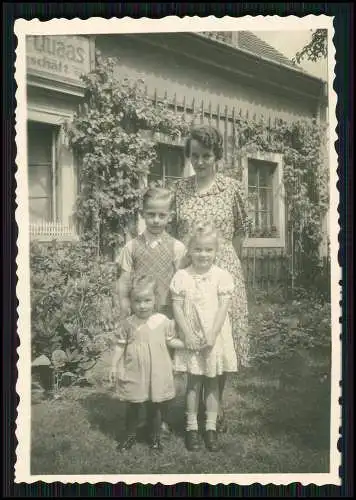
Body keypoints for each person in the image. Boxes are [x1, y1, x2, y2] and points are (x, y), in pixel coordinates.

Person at [171, 124, 250, 433]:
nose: (200, 162)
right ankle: (196, 411)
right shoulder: (180, 189)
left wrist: (229, 263)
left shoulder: (232, 188)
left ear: (217, 155)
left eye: (206, 155)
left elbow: (242, 230)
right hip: (189, 275)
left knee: (220, 342)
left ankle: (213, 412)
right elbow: (175, 233)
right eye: (194, 156)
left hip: (224, 273)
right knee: (193, 338)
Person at [116, 186, 187, 433]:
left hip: (165, 315)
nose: (156, 220)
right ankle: (140, 413)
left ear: (170, 216)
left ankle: (161, 417)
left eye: (162, 215)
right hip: (139, 316)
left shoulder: (177, 247)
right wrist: (125, 305)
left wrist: (180, 314)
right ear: (142, 214)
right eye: (151, 214)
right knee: (139, 363)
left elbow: (182, 281)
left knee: (163, 367)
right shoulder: (132, 247)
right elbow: (124, 280)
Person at [170, 222, 237, 452]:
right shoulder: (181, 276)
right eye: (198, 249)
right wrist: (187, 334)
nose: (203, 254)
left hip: (213, 337)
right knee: (193, 384)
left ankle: (210, 428)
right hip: (192, 337)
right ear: (190, 250)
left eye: (209, 250)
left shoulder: (222, 276)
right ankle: (191, 429)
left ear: (216, 251)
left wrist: (212, 334)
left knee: (212, 384)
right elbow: (177, 307)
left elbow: (223, 309)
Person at [110, 275, 184, 452]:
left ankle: (155, 438)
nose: (142, 306)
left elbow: (171, 341)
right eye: (137, 301)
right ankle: (130, 436)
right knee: (134, 404)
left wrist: (188, 344)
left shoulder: (163, 321)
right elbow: (120, 347)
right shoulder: (128, 323)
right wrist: (114, 365)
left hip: (158, 371)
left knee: (156, 406)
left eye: (147, 300)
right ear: (131, 301)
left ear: (155, 300)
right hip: (135, 371)